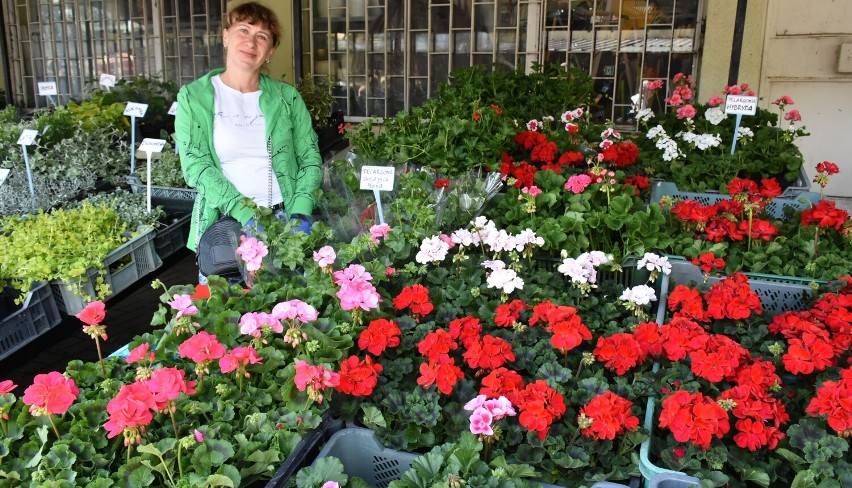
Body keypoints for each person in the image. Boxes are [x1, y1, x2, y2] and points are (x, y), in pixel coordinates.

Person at [174, 1, 321, 280]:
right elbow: (196, 166)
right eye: (243, 30)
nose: (251, 42)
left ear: (270, 51)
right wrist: (247, 215)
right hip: (225, 226)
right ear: (226, 36)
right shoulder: (194, 97)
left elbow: (310, 158)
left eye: (262, 36)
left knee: (289, 317)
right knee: (226, 315)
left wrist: (301, 213)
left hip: (285, 223)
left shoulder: (287, 98)